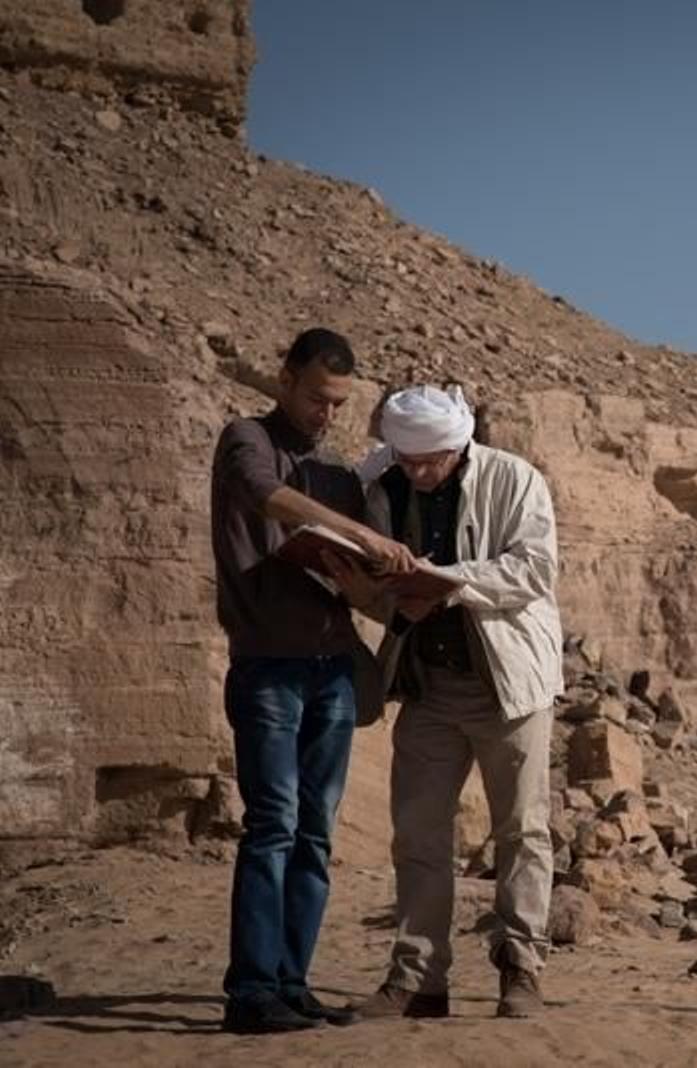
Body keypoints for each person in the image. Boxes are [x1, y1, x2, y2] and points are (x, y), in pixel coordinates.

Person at [327, 384, 562, 1020]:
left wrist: (450, 585)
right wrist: (365, 592)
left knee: (522, 832)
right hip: (426, 686)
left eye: (431, 462)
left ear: (461, 446)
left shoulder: (516, 480)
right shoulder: (384, 488)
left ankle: (521, 971)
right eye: (408, 461)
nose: (420, 473)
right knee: (418, 834)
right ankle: (418, 980)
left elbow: (534, 571)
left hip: (509, 687)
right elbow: (382, 590)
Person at [210, 327, 414, 1034]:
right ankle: (251, 991)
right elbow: (267, 498)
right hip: (267, 666)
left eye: (340, 405)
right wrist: (356, 534)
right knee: (272, 826)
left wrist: (370, 581)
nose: (327, 415)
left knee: (314, 835)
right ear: (287, 377)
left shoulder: (336, 475)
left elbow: (366, 599)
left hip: (331, 670)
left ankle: (292, 983)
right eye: (319, 398)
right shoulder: (247, 439)